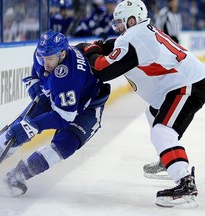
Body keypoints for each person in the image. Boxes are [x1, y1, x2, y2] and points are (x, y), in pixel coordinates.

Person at [77, 0, 205, 207]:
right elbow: (114, 45)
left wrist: (90, 50)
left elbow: (102, 70)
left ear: (131, 19)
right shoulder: (140, 32)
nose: (117, 26)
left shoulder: (134, 38)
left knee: (162, 132)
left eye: (120, 22)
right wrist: (95, 46)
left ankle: (184, 182)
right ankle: (169, 160)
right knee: (153, 112)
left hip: (187, 83)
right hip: (181, 82)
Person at [0, 30, 111, 196]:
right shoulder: (44, 54)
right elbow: (37, 70)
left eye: (49, 59)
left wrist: (34, 126)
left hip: (87, 108)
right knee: (16, 130)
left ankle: (18, 175)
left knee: (65, 144)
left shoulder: (69, 76)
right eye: (42, 57)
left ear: (62, 54)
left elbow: (64, 118)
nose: (45, 63)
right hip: (57, 98)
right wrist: (34, 82)